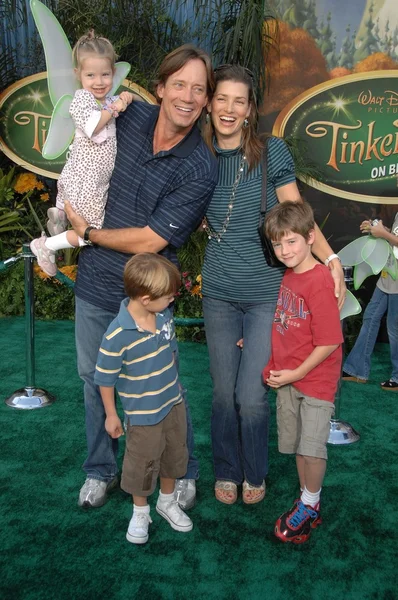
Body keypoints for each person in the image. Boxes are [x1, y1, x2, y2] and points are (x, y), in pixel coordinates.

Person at [64, 44, 218, 510]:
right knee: (94, 378)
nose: (188, 97)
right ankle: (100, 470)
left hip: (150, 297)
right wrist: (70, 207)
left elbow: (152, 241)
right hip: (94, 282)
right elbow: (83, 160)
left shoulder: (201, 165)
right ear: (160, 87)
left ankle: (182, 472)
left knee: (164, 387)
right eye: (179, 85)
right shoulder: (126, 118)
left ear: (207, 100)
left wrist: (87, 231)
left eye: (199, 89)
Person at [200, 64, 345, 505]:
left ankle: (255, 472)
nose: (228, 108)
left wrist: (332, 258)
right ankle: (227, 468)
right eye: (221, 98)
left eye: (238, 101)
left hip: (267, 295)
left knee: (253, 395)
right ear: (208, 103)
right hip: (220, 294)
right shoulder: (198, 155)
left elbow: (296, 211)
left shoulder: (271, 152)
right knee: (224, 392)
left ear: (250, 110)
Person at [94, 253, 193, 544]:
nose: (172, 301)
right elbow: (104, 378)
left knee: (174, 455)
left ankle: (167, 501)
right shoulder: (117, 335)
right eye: (167, 297)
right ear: (147, 299)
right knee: (142, 463)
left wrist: (176, 388)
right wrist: (112, 415)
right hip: (143, 415)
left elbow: (171, 354)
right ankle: (140, 511)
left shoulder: (163, 318)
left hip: (173, 404)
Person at [263, 200, 343, 544]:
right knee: (298, 445)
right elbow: (284, 326)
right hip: (290, 378)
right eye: (277, 244)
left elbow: (329, 341)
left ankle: (310, 503)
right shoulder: (288, 275)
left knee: (312, 448)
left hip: (315, 381)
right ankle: (307, 499)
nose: (284, 250)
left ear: (311, 237)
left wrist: (295, 374)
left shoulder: (319, 280)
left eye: (291, 241)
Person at [30, 31, 133, 276]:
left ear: (113, 74)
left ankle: (60, 214)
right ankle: (46, 245)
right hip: (87, 179)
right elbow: (92, 126)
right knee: (91, 233)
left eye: (105, 74)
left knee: (87, 227)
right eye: (90, 75)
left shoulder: (104, 100)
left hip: (94, 179)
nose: (99, 81)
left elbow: (114, 105)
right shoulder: (81, 99)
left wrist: (122, 98)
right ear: (78, 75)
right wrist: (117, 106)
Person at [343, 214, 398, 390]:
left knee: (394, 329)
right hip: (388, 278)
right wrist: (379, 230)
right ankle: (356, 369)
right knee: (370, 317)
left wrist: (383, 233)